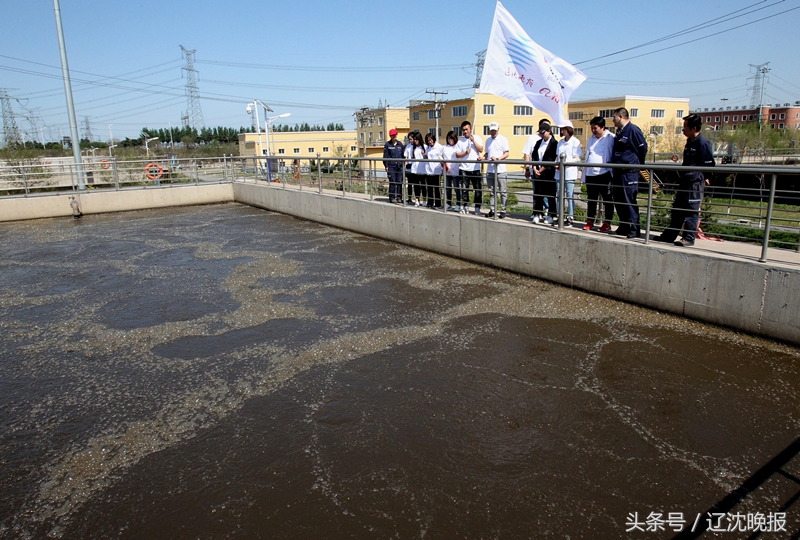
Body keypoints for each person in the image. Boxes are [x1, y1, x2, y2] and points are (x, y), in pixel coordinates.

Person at [654, 114, 715, 247]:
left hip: (695, 183)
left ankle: (688, 238)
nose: (683, 131)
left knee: (691, 210)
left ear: (694, 128)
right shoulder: (690, 141)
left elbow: (710, 164)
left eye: (685, 128)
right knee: (677, 209)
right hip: (685, 180)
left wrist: (704, 177)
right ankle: (670, 235)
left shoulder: (703, 143)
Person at [610, 107, 648, 238]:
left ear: (620, 116)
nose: (613, 120)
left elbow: (642, 148)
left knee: (629, 199)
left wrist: (638, 163)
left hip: (629, 172)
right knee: (619, 199)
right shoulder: (619, 132)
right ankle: (624, 225)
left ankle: (635, 228)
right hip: (619, 172)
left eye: (614, 117)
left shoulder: (632, 130)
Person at [582, 116, 615, 232]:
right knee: (591, 199)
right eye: (592, 128)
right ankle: (590, 220)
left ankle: (607, 222)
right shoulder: (591, 139)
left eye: (595, 128)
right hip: (591, 174)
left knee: (607, 199)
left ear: (602, 127)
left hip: (604, 173)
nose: (593, 130)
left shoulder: (610, 137)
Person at [479, 121, 509, 218]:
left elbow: (507, 153)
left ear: (498, 130)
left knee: (502, 191)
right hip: (490, 170)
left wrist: (498, 159)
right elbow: (487, 153)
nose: (493, 132)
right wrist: (483, 158)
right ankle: (493, 209)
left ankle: (503, 210)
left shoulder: (503, 139)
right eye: (491, 130)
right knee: (492, 191)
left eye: (494, 130)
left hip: (500, 169)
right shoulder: (488, 141)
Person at [523, 118, 552, 216]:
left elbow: (550, 157)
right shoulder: (533, 138)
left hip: (546, 171)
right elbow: (528, 154)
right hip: (535, 171)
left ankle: (548, 211)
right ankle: (537, 212)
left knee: (547, 193)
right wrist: (528, 168)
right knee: (537, 192)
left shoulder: (552, 140)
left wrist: (542, 169)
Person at [554, 122, 582, 226]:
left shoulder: (575, 142)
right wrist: (557, 164)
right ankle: (559, 215)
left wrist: (566, 162)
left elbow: (577, 157)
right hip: (559, 173)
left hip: (570, 172)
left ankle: (570, 217)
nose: (562, 131)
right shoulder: (560, 142)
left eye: (564, 129)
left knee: (569, 195)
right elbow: (557, 156)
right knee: (559, 195)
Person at [530, 123, 558, 225]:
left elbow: (550, 159)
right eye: (540, 133)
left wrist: (541, 170)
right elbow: (534, 157)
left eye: (543, 132)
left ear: (549, 131)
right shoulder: (538, 143)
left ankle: (551, 215)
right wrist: (534, 168)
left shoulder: (554, 143)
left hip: (548, 173)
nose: (542, 135)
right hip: (537, 172)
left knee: (550, 194)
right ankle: (537, 213)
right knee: (538, 194)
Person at [456, 120, 484, 215]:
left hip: (475, 168)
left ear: (470, 129)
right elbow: (457, 155)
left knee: (477, 189)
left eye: (466, 129)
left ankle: (477, 207)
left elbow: (481, 149)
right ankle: (465, 206)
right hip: (464, 168)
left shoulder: (477, 138)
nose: (465, 131)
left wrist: (473, 141)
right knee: (464, 189)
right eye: (463, 130)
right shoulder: (460, 141)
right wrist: (465, 152)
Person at [441, 131, 463, 212]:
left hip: (455, 170)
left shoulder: (457, 146)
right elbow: (441, 155)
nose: (450, 140)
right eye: (449, 139)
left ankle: (458, 204)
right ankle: (449, 203)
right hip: (447, 171)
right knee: (448, 188)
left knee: (456, 188)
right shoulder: (445, 147)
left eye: (451, 139)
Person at [383, 128, 404, 203]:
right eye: (392, 135)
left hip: (399, 166)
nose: (394, 136)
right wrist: (386, 166)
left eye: (395, 135)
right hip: (391, 166)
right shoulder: (387, 145)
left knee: (399, 182)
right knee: (393, 181)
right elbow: (385, 156)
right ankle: (392, 197)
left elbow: (403, 155)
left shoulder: (400, 144)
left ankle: (399, 197)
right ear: (390, 136)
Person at [424, 133, 444, 209]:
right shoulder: (428, 148)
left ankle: (438, 203)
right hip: (429, 170)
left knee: (436, 188)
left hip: (437, 170)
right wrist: (424, 156)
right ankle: (430, 203)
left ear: (433, 139)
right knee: (429, 188)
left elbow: (442, 157)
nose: (430, 142)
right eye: (428, 140)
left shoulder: (439, 147)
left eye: (430, 140)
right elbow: (426, 156)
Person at [407, 132, 427, 207]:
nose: (415, 141)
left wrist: (423, 155)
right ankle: (417, 200)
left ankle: (424, 200)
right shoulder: (413, 147)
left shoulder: (424, 147)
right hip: (415, 169)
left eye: (416, 139)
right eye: (414, 139)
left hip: (423, 169)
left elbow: (426, 157)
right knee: (416, 186)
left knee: (423, 186)